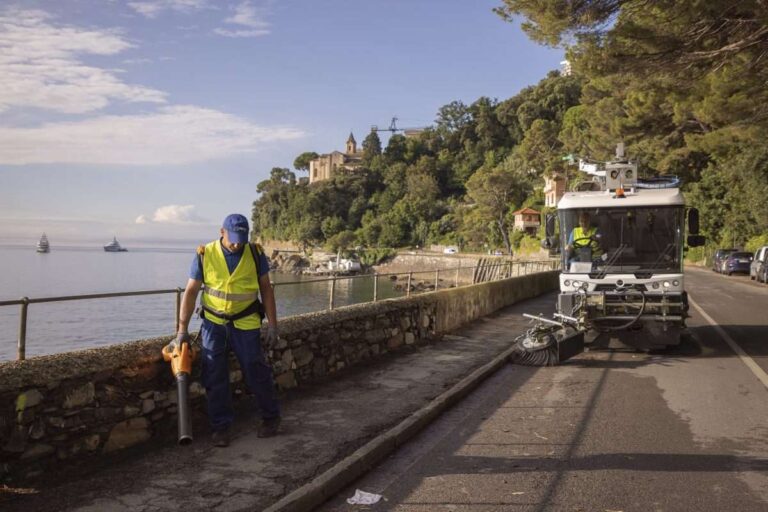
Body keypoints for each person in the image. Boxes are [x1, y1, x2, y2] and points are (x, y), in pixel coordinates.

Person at [176, 213, 280, 447]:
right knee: (214, 374)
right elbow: (191, 291)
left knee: (255, 370)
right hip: (214, 324)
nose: (236, 244)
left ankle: (271, 418)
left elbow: (266, 289)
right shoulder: (205, 254)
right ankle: (221, 427)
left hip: (246, 322)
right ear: (221, 232)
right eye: (233, 238)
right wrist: (182, 329)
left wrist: (273, 325)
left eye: (241, 239)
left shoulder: (255, 253)